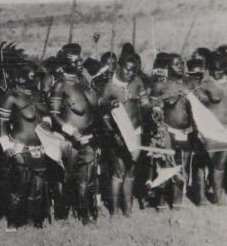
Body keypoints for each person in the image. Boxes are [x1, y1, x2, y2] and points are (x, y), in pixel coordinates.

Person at [0, 57, 52, 229]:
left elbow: (47, 117)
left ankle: (34, 221)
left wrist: (47, 124)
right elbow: (2, 124)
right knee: (19, 189)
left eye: (36, 76)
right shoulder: (11, 97)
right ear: (21, 77)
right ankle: (13, 224)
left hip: (40, 147)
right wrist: (7, 147)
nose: (35, 79)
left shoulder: (40, 94)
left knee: (37, 188)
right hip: (20, 147)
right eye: (31, 76)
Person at [48, 44, 99, 223]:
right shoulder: (60, 85)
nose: (79, 63)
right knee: (67, 179)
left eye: (80, 59)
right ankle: (62, 215)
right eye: (74, 61)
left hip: (89, 138)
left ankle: (85, 214)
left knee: (86, 177)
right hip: (69, 141)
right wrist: (72, 131)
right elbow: (53, 115)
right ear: (65, 63)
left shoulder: (84, 81)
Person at [99, 53, 148, 216]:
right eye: (127, 69)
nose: (130, 73)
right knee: (118, 171)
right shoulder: (109, 87)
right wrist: (114, 135)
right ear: (118, 67)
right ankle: (113, 211)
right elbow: (103, 115)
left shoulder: (137, 82)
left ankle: (128, 210)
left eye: (134, 70)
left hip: (136, 132)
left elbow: (144, 103)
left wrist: (154, 106)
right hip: (118, 135)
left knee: (132, 170)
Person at [148, 52, 195, 208]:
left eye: (182, 63)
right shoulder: (159, 85)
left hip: (186, 132)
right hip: (167, 132)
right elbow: (154, 110)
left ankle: (177, 203)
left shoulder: (189, 83)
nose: (181, 66)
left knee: (182, 165)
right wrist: (170, 96)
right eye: (176, 64)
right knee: (164, 166)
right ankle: (160, 203)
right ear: (167, 67)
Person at [191, 53, 227, 204]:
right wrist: (199, 130)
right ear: (209, 69)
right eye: (214, 69)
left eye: (220, 69)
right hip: (209, 129)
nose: (217, 72)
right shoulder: (204, 84)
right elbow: (196, 107)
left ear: (224, 68)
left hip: (226, 128)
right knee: (203, 163)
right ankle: (200, 198)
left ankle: (217, 197)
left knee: (220, 165)